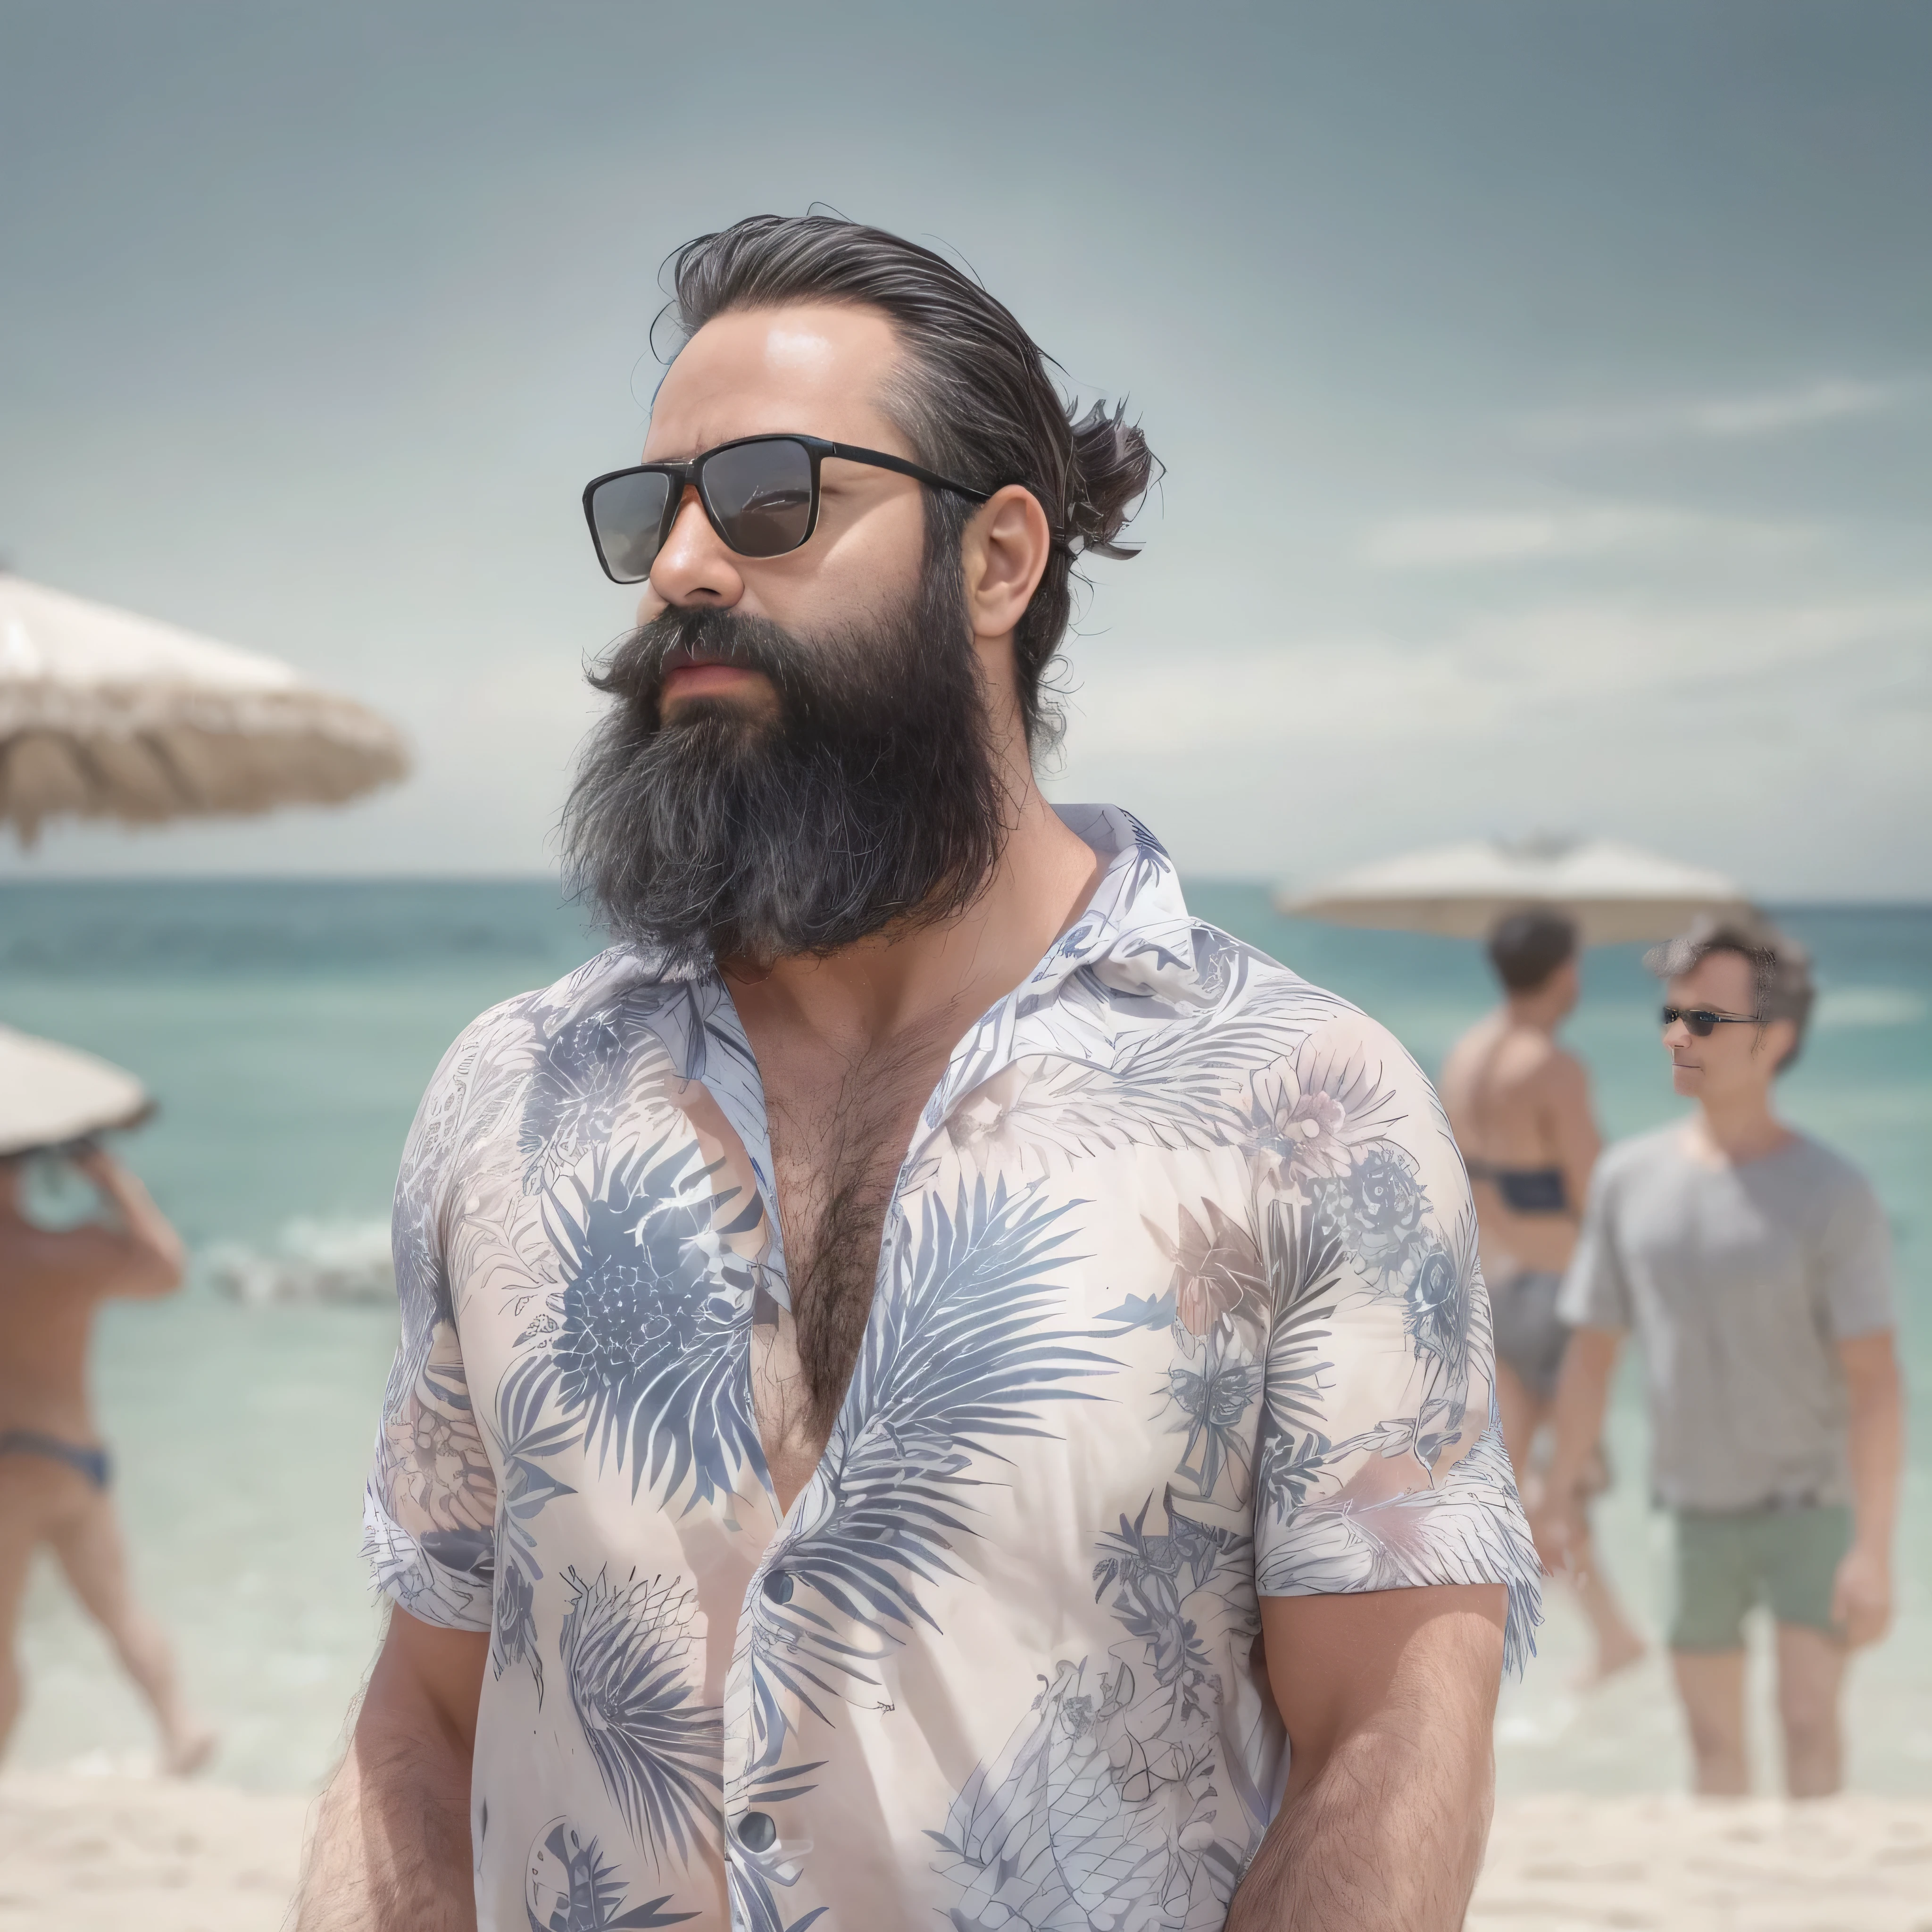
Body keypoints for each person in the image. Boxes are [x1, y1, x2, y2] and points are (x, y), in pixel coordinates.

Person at [297, 214, 1540, 1932]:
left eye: (764, 496)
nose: (680, 568)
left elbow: (1390, 1736)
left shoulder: (1304, 1107)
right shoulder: (513, 1094)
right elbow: (422, 1716)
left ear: (999, 560)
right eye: (650, 513)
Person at [1537, 916, 1902, 1798]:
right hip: (1690, 1515)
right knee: (1713, 1755)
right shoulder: (1629, 1180)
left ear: (1774, 1041)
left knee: (1810, 1732)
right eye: (1671, 1014)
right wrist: (1555, 1497)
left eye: (1704, 1021)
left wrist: (1876, 1551)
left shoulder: (1833, 1191)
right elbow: (1592, 1357)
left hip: (1809, 1509)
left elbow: (1876, 1385)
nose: (1675, 1036)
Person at [1439, 910, 1644, 1684]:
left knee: (1506, 1490)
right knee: (1565, 1482)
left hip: (1500, 1282)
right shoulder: (1552, 1068)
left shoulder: (1465, 1056)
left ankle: (1489, 1652)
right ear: (1566, 974)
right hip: (1564, 1292)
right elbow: (1597, 1193)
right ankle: (1609, 1637)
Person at [0, 1143, 216, 1774]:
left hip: (8, 1469)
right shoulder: (68, 1254)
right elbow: (167, 1267)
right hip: (76, 1461)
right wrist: (112, 1180)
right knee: (120, 1610)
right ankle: (181, 1727)